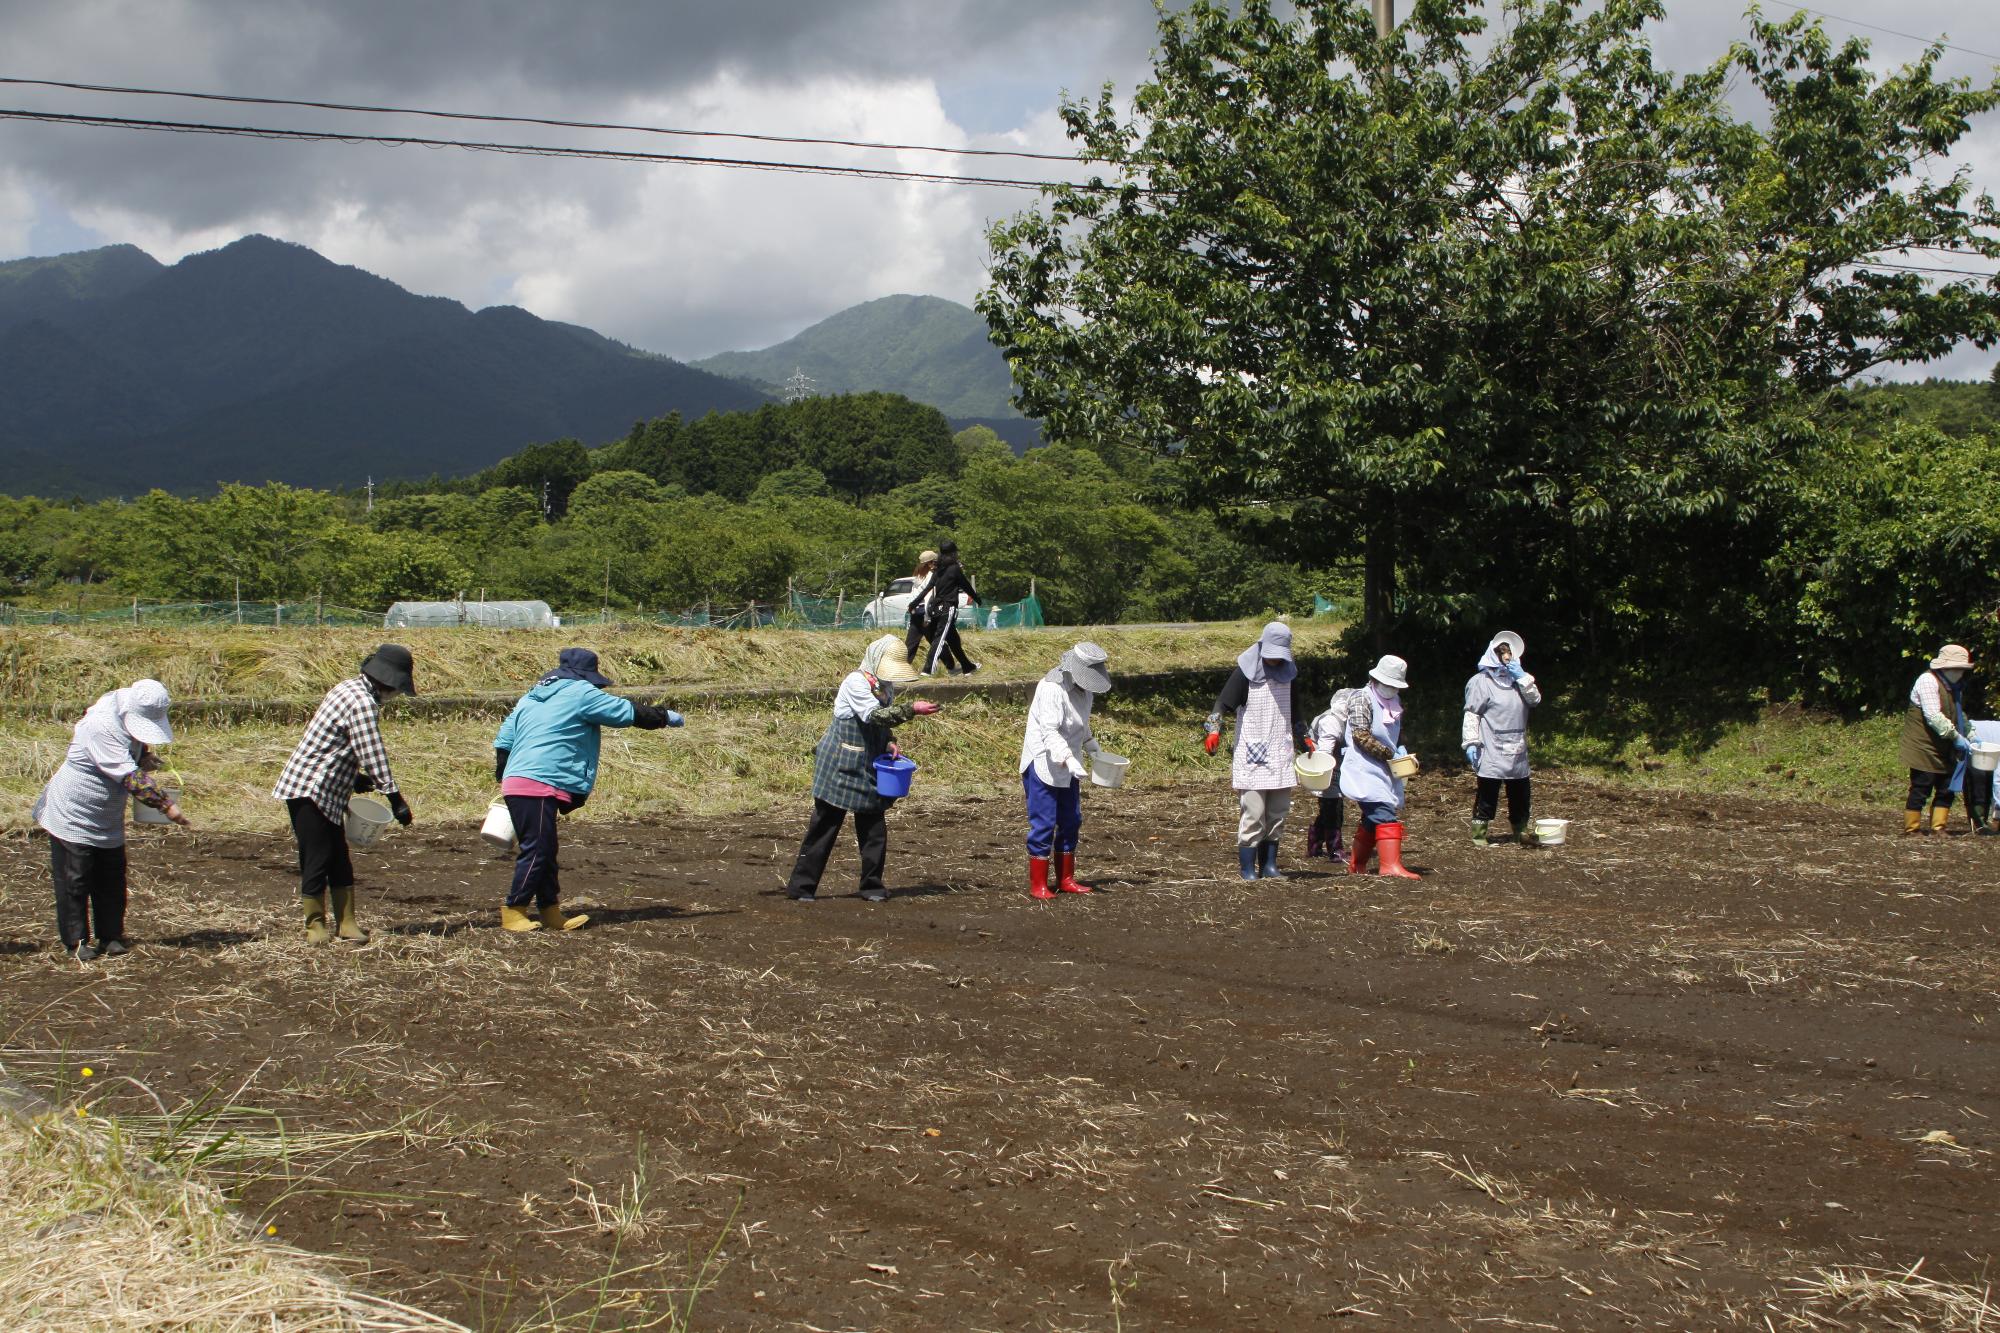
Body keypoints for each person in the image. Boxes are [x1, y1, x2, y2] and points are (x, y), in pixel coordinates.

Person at [492, 648, 682, 933]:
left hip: (520, 780)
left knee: (544, 849)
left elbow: (505, 737)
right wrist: (664, 716)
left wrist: (505, 773)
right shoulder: (580, 692)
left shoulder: (530, 697)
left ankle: (550, 911)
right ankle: (514, 910)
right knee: (537, 850)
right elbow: (623, 712)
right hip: (540, 780)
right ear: (586, 676)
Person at [32, 679, 189, 961]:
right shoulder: (101, 724)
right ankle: (76, 942)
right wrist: (166, 806)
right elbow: (128, 776)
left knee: (111, 874)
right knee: (75, 877)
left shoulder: (124, 713)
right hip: (73, 810)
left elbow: (128, 755)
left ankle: (111, 936)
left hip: (106, 813)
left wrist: (143, 758)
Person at [272, 644, 416, 944]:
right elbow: (372, 751)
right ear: (388, 681)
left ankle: (347, 923)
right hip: (310, 788)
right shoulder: (362, 702)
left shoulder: (347, 688)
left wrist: (353, 779)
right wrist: (395, 799)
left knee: (338, 857)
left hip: (322, 787)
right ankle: (315, 926)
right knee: (317, 857)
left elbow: (334, 743)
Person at [784, 635, 941, 902]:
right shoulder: (856, 682)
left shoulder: (884, 685)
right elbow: (873, 715)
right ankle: (802, 887)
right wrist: (911, 709)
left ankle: (872, 886)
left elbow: (881, 724)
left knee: (874, 828)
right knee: (825, 825)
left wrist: (890, 741)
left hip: (869, 763)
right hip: (840, 763)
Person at [1205, 621, 1302, 881]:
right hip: (1253, 751)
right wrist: (1213, 730)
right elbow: (1222, 703)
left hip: (1280, 750)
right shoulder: (1245, 673)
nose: (1274, 660)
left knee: (1278, 813)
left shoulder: (1289, 674)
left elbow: (1296, 712)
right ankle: (1248, 869)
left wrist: (1305, 737)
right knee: (1254, 814)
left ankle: (1269, 865)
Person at [1020, 642, 1113, 899]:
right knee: (1044, 823)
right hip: (1044, 763)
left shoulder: (1085, 692)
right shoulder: (1051, 688)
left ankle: (1066, 878)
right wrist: (1069, 760)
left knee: (1071, 820)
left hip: (1070, 763)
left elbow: (1081, 724)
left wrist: (1092, 746)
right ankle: (1038, 884)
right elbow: (1049, 732)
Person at [1340, 654, 1420, 879]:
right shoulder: (1361, 698)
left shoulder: (1393, 703)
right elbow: (1360, 735)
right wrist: (1391, 754)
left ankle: (1357, 864)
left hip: (1384, 769)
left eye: (1396, 686)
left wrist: (1401, 750)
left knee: (1372, 817)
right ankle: (1390, 866)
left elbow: (1393, 735)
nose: (1392, 689)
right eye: (1389, 684)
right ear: (1376, 679)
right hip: (1364, 768)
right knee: (1384, 814)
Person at [1462, 631, 1543, 847]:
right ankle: (1479, 834)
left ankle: (1521, 831)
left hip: (1517, 744)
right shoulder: (1481, 682)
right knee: (1488, 790)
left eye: (1510, 654)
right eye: (1503, 654)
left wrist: (1522, 677)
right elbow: (1472, 713)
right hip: (1491, 745)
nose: (1507, 658)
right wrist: (1471, 741)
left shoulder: (1519, 681)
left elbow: (1534, 700)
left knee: (1520, 791)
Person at [1902, 643, 1977, 835]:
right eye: (1957, 668)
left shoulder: (1954, 687)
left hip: (1945, 745)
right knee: (1922, 786)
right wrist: (1956, 737)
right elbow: (1934, 716)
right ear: (1944, 667)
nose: (1960, 672)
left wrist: (1971, 734)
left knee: (1947, 788)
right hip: (1923, 744)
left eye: (1962, 668)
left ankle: (1939, 828)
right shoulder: (1927, 681)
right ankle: (1912, 829)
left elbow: (1959, 713)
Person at [911, 540, 982, 676]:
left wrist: (914, 603)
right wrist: (977, 599)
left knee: (954, 641)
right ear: (953, 553)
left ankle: (968, 667)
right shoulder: (954, 568)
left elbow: (928, 588)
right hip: (947, 608)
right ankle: (928, 669)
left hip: (936, 608)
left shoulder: (938, 569)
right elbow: (966, 585)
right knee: (939, 638)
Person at [1304, 687, 1359, 861]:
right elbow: (1326, 751)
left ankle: (1314, 845)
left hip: (1334, 765)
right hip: (1324, 768)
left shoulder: (1343, 721)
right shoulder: (1331, 722)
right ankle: (1335, 850)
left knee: (1330, 808)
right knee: (1333, 809)